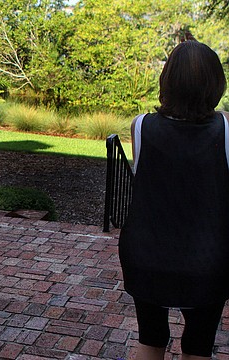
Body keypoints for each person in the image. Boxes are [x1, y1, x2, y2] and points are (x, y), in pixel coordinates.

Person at [119, 38, 229, 360]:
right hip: (207, 260)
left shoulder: (141, 127)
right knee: (198, 346)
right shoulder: (225, 130)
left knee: (150, 340)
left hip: (146, 255)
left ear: (166, 82)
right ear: (215, 84)